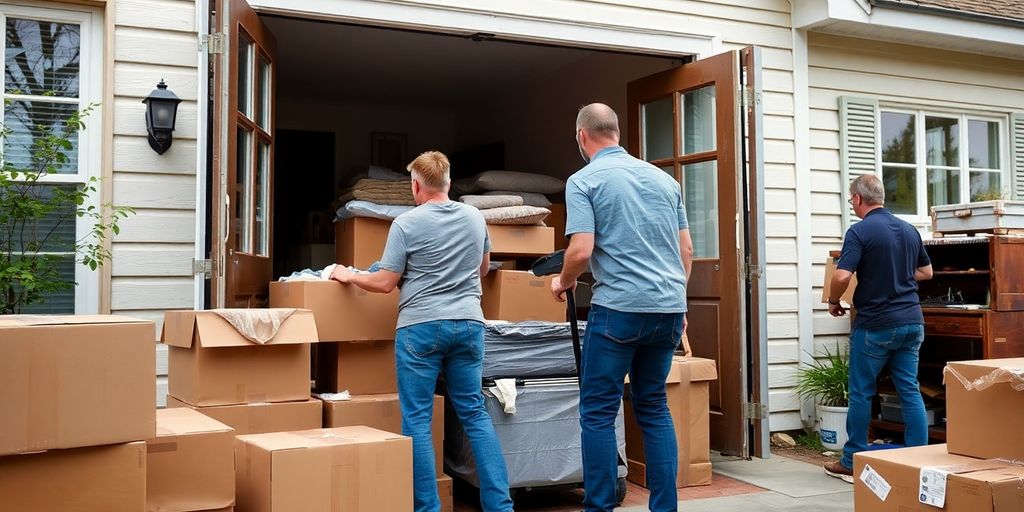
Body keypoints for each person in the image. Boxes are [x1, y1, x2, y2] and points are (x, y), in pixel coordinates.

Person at [331, 151, 514, 512]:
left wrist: (349, 275)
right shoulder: (475, 218)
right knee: (474, 414)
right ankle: (500, 507)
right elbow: (482, 269)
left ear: (416, 185)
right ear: (448, 182)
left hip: (421, 328)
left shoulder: (406, 224)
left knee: (417, 419)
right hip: (469, 324)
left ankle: (428, 508)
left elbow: (385, 282)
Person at [552, 103, 693, 512]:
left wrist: (563, 281)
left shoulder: (583, 180)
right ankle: (665, 507)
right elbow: (686, 249)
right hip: (668, 309)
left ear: (582, 136)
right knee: (654, 406)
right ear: (615, 131)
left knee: (598, 411)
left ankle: (599, 507)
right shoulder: (665, 180)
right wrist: (677, 300)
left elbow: (581, 250)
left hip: (619, 310)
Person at [823, 174, 933, 483]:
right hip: (912, 322)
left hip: (876, 325)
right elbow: (926, 272)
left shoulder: (859, 231)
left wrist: (833, 300)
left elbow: (842, 276)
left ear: (858, 199)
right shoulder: (909, 230)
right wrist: (897, 273)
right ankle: (919, 460)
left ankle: (851, 460)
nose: (852, 204)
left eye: (851, 200)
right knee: (909, 388)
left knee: (861, 392)